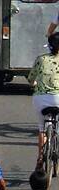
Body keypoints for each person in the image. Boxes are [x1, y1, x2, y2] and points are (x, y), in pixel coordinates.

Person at [27, 28, 59, 161]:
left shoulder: (41, 59)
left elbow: (31, 78)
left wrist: (34, 84)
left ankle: (40, 159)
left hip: (40, 99)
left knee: (42, 129)